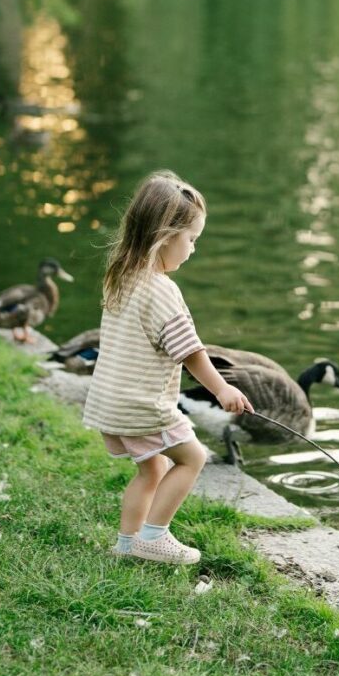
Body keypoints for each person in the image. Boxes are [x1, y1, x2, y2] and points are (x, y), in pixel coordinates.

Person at [82, 171, 253, 565]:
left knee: (152, 468)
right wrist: (222, 390)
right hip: (142, 405)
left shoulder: (120, 275)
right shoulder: (162, 290)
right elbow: (190, 351)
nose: (193, 249)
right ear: (164, 235)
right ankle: (154, 537)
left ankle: (127, 545)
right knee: (193, 458)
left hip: (109, 402)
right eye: (191, 239)